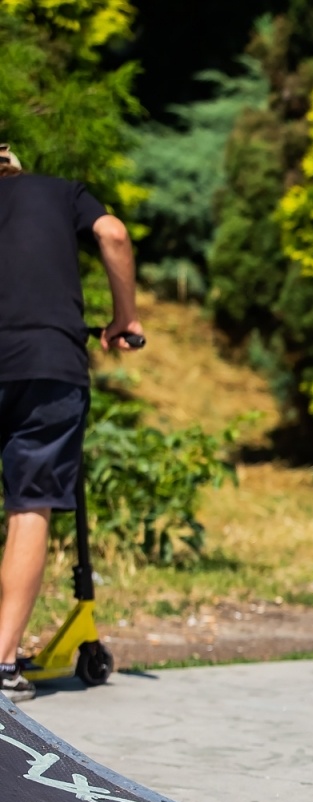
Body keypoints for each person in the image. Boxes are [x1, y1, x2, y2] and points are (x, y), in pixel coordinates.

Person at [0, 144, 143, 701]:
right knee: (29, 506)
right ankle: (3, 660)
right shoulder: (60, 192)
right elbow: (113, 234)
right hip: (46, 363)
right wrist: (124, 317)